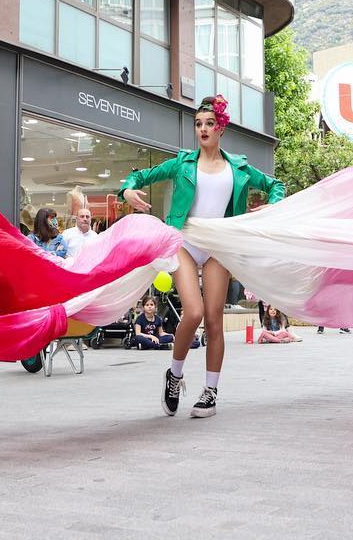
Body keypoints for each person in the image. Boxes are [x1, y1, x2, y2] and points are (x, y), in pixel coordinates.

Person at [120, 94, 284, 418]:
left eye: (209, 123)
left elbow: (275, 183)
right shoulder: (182, 163)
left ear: (221, 127)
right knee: (192, 313)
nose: (203, 129)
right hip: (185, 240)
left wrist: (272, 203)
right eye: (198, 124)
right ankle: (174, 375)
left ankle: (210, 392)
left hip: (218, 246)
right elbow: (140, 176)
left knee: (213, 320)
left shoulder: (238, 167)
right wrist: (127, 189)